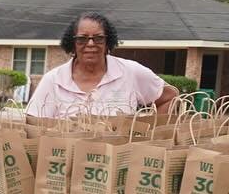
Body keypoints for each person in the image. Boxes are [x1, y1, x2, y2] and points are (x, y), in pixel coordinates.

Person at [25, 12, 179, 119]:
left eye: (98, 38)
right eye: (82, 39)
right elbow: (33, 122)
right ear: (73, 44)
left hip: (119, 162)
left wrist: (149, 135)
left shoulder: (130, 72)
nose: (90, 44)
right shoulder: (53, 80)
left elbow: (170, 97)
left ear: (107, 43)